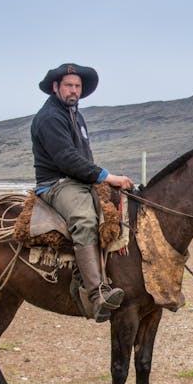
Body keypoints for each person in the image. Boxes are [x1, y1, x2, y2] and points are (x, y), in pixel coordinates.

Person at [31, 63, 134, 323]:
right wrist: (107, 176)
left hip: (79, 180)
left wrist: (102, 181)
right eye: (68, 85)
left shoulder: (74, 114)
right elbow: (66, 159)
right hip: (57, 183)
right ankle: (96, 293)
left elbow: (82, 156)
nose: (74, 90)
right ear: (55, 87)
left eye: (77, 86)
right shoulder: (50, 118)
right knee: (85, 220)